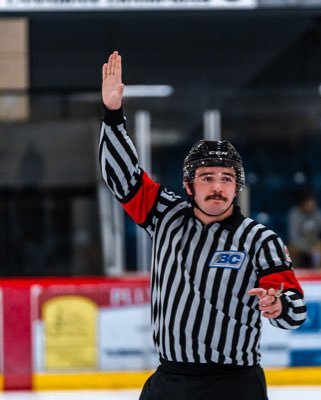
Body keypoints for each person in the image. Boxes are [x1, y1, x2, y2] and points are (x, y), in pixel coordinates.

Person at [100, 51, 307, 400]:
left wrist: (279, 306)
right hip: (170, 380)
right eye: (206, 177)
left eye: (226, 178)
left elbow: (295, 309)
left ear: (237, 186)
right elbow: (123, 179)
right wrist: (112, 115)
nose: (216, 186)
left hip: (235, 385)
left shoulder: (259, 240)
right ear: (188, 184)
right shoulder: (166, 216)